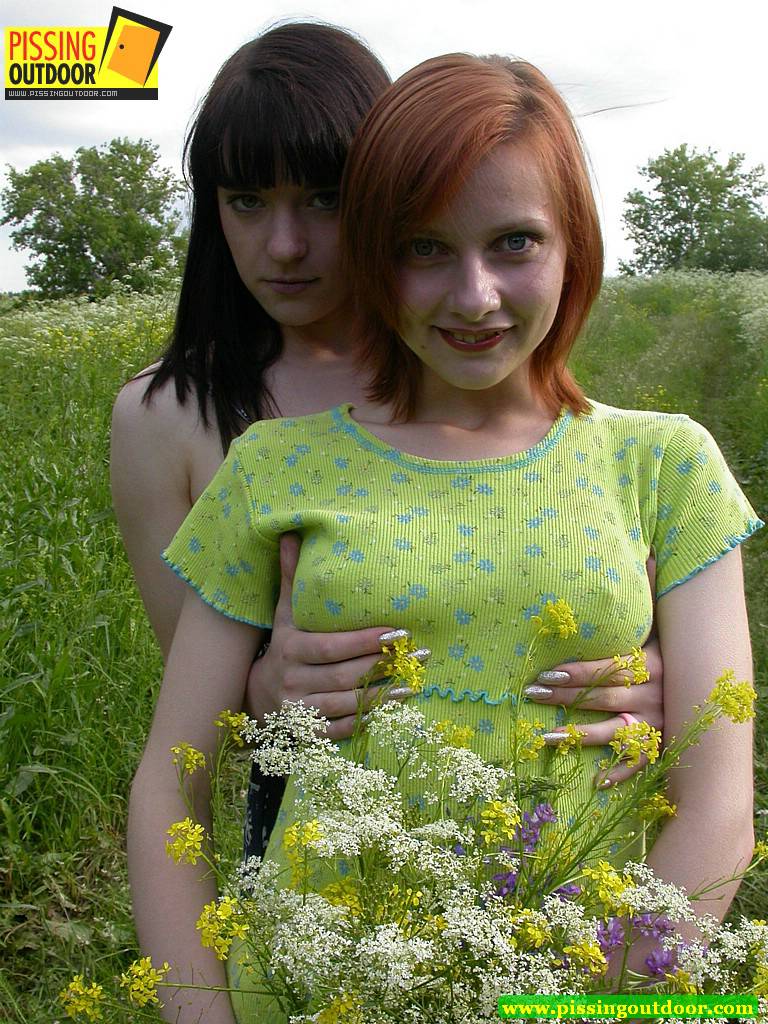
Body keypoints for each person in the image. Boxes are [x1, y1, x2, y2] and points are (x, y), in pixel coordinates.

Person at [156, 51, 760, 1022]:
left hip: (585, 988)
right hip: (315, 993)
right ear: (374, 256)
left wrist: (595, 1008)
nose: (473, 295)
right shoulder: (273, 466)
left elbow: (721, 807)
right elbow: (168, 785)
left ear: (575, 245)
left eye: (515, 242)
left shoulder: (668, 464)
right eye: (424, 248)